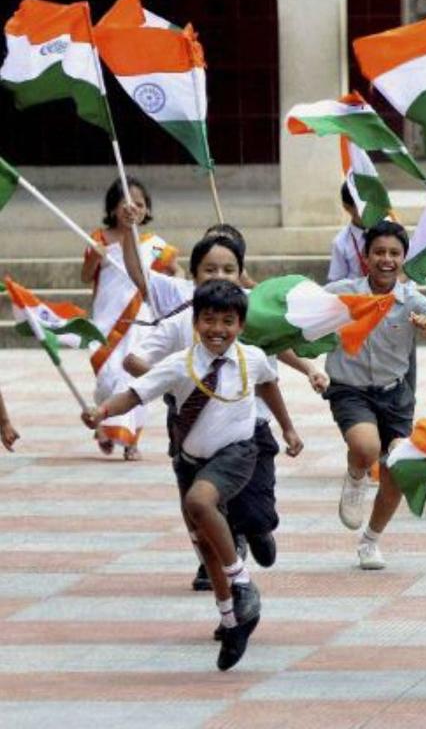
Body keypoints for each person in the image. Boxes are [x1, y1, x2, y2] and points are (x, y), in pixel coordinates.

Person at [82, 280, 304, 671]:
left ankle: (242, 582)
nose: (218, 329)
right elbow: (134, 394)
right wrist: (102, 413)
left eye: (228, 321)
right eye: (209, 319)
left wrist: (288, 428)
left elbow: (269, 385)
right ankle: (231, 619)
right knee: (205, 544)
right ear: (196, 321)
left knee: (199, 502)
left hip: (237, 453)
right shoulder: (179, 363)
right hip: (191, 460)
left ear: (241, 324)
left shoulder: (253, 357)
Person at [124, 233, 325, 591]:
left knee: (253, 510)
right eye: (210, 269)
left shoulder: (250, 311)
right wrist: (169, 382)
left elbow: (272, 358)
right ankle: (220, 567)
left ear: (242, 274)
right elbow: (134, 358)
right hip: (191, 427)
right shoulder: (180, 317)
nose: (219, 275)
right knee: (199, 501)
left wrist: (292, 418)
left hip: (249, 427)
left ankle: (256, 528)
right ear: (194, 275)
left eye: (229, 269)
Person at [328, 221, 426, 569]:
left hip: (395, 396)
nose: (386, 260)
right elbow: (302, 311)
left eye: (394, 253)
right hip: (350, 390)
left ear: (403, 258)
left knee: (398, 470)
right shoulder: (343, 293)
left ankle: (370, 541)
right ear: (366, 257)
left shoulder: (412, 299)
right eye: (379, 252)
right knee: (366, 447)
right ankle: (356, 474)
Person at [81, 176, 181, 461]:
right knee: (107, 379)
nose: (132, 209)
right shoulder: (98, 239)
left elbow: (177, 271)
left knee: (132, 379)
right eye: (126, 203)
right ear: (113, 208)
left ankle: (130, 439)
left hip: (140, 321)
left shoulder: (154, 244)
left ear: (146, 210)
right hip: (106, 321)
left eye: (139, 204)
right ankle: (105, 421)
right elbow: (86, 277)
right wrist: (93, 258)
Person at [327, 184, 368, 282]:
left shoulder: (390, 233)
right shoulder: (341, 242)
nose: (370, 210)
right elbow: (336, 283)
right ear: (347, 207)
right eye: (363, 206)